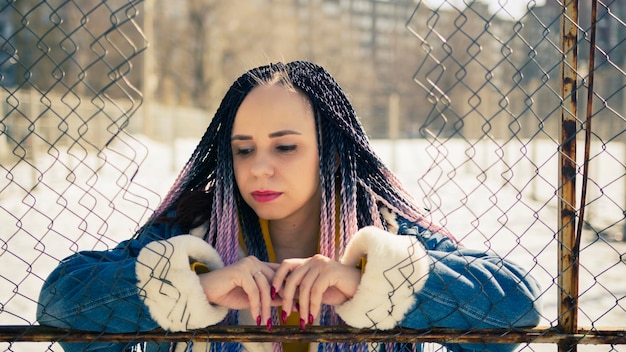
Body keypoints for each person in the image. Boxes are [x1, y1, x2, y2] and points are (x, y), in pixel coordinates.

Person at [37, 61, 542, 352]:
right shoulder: (193, 231)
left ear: (329, 149)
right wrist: (197, 288)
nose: (259, 168)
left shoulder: (386, 230)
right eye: (243, 149)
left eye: (285, 146)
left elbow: (518, 311)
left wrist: (369, 281)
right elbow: (60, 308)